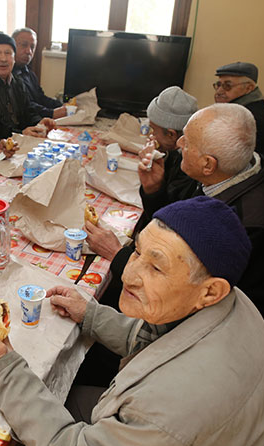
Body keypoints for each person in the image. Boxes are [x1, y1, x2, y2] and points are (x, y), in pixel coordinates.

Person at [0, 196, 264, 446]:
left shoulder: (165, 411)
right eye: (136, 251)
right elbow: (162, 340)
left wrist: (7, 372)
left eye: (156, 268)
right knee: (58, 388)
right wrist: (92, 316)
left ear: (210, 291)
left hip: (164, 445)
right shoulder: (232, 299)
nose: (128, 275)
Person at [89, 103, 264, 321]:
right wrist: (154, 189)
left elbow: (181, 291)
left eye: (187, 142)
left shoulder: (244, 221)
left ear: (208, 164)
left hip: (213, 321)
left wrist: (117, 254)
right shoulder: (225, 173)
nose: (178, 144)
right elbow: (175, 231)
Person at [78, 86, 198, 387]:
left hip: (166, 329)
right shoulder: (175, 158)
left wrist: (118, 254)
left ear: (174, 136)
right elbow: (166, 215)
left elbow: (168, 260)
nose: (149, 137)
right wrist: (154, 188)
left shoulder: (193, 177)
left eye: (153, 131)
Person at [213, 61, 264, 160]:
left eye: (227, 86)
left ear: (249, 88)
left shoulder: (246, 116)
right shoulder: (238, 108)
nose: (219, 91)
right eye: (218, 85)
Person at [11, 28, 66, 119]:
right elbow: (25, 106)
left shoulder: (29, 72)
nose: (29, 51)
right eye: (24, 45)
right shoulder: (7, 75)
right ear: (12, 46)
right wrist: (51, 113)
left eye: (32, 47)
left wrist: (62, 106)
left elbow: (41, 98)